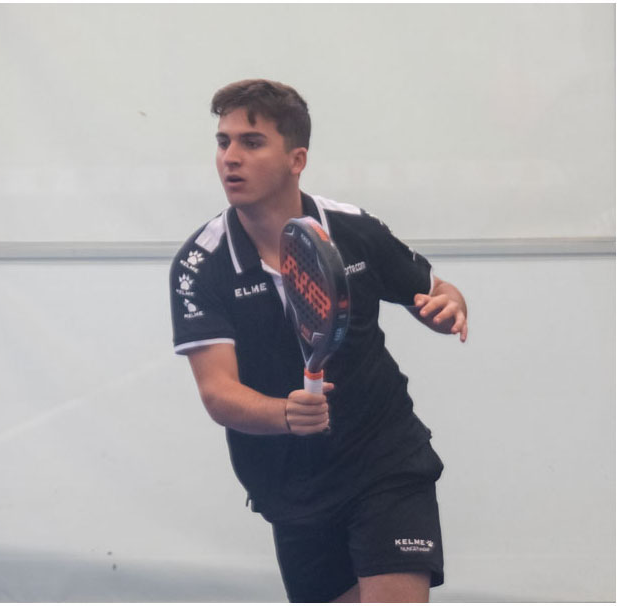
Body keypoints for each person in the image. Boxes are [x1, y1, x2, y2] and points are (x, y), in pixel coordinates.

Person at [168, 79, 468, 603]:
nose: (230, 158)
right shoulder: (200, 266)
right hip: (292, 488)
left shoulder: (353, 229)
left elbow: (434, 290)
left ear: (296, 159)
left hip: (385, 459)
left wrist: (449, 306)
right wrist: (284, 414)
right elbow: (218, 392)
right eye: (223, 142)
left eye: (251, 143)